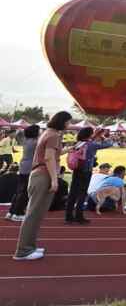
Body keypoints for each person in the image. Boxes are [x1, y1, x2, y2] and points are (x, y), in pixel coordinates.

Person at [14, 111, 70, 261]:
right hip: (43, 175)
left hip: (39, 174)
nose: (69, 125)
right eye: (68, 122)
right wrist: (54, 180)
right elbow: (48, 158)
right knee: (33, 214)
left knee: (36, 214)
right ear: (63, 122)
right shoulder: (53, 136)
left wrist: (68, 149)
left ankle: (29, 246)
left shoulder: (47, 133)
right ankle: (23, 250)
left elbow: (51, 155)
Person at [65, 127, 113, 224]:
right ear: (89, 135)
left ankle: (69, 216)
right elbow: (108, 144)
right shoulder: (91, 145)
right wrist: (103, 136)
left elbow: (89, 140)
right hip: (86, 170)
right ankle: (79, 216)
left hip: (76, 169)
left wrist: (95, 135)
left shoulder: (78, 143)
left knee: (73, 193)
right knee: (82, 194)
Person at [6, 125, 40, 222]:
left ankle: (11, 212)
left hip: (23, 167)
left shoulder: (25, 140)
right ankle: (18, 213)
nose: (40, 132)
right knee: (24, 192)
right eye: (38, 131)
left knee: (19, 191)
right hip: (29, 168)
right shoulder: (35, 142)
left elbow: (18, 133)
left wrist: (20, 129)